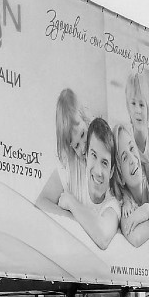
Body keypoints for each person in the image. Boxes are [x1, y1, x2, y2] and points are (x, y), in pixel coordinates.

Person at [55, 117, 121, 250]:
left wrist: (70, 202)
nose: (98, 171)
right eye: (93, 155)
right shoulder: (74, 175)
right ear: (86, 156)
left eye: (104, 163)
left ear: (112, 171)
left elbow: (103, 237)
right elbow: (42, 201)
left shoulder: (112, 205)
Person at [36, 88, 91, 216]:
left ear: (87, 120)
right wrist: (71, 216)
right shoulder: (69, 166)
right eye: (76, 146)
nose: (83, 148)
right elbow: (41, 202)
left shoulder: (104, 147)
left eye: (83, 134)